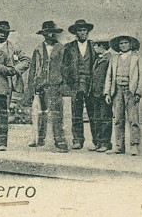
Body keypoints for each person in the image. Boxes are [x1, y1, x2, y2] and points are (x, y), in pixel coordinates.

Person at [29, 21, 68, 152]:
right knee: (41, 113)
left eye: (53, 33)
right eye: (48, 32)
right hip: (40, 85)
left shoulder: (62, 49)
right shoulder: (38, 50)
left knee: (57, 114)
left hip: (55, 85)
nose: (51, 35)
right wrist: (32, 87)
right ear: (44, 34)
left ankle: (60, 141)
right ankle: (40, 139)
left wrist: (63, 84)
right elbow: (33, 69)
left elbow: (67, 69)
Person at [104, 34, 142, 156]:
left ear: (131, 44)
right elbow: (109, 76)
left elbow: (141, 77)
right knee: (118, 119)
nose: (123, 45)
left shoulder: (136, 58)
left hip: (131, 91)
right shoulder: (114, 58)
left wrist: (138, 92)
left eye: (126, 43)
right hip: (117, 91)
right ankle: (119, 146)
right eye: (121, 43)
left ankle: (134, 146)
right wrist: (107, 93)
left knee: (133, 119)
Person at [63, 19, 97, 150]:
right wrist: (68, 82)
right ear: (76, 33)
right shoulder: (69, 47)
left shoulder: (94, 46)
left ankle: (96, 141)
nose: (82, 33)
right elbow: (64, 67)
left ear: (87, 32)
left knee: (93, 112)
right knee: (76, 113)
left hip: (91, 84)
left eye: (84, 30)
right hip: (75, 84)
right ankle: (77, 140)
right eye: (79, 31)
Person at [87, 40, 113, 152]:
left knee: (105, 118)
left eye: (95, 46)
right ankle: (97, 142)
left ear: (101, 46)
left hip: (103, 94)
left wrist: (108, 92)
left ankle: (105, 143)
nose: (94, 48)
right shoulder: (98, 58)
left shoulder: (109, 59)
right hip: (94, 93)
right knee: (96, 118)